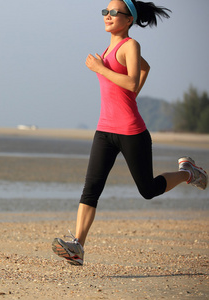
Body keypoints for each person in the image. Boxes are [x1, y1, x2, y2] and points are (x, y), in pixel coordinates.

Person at [52, 0, 208, 266]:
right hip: (104, 130)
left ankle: (189, 173)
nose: (108, 16)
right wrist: (128, 93)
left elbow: (134, 78)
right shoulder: (110, 46)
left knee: (147, 190)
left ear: (129, 20)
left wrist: (102, 70)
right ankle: (77, 246)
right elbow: (142, 73)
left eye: (114, 13)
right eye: (106, 12)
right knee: (91, 189)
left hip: (131, 131)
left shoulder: (130, 45)